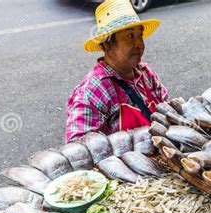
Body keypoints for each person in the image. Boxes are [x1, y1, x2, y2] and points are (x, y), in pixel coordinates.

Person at [64, 0, 169, 142]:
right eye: (130, 36)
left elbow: (167, 110)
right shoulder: (95, 90)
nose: (139, 44)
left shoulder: (145, 73)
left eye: (140, 35)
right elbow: (78, 148)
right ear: (107, 44)